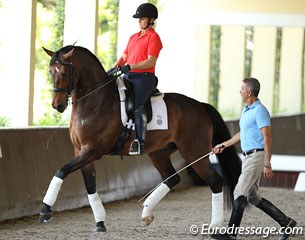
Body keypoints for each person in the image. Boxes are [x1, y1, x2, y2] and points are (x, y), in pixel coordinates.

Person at [211, 78, 297, 240]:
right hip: (248, 158)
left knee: (239, 192)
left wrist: (267, 163)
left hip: (256, 157)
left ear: (249, 92)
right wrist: (224, 144)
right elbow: (243, 133)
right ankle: (286, 222)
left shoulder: (260, 111)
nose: (240, 91)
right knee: (253, 197)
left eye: (242, 89)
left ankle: (231, 234)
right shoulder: (246, 111)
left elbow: (268, 137)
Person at [111, 3, 163, 155]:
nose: (139, 21)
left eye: (142, 18)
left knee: (136, 104)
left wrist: (129, 67)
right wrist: (114, 68)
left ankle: (140, 142)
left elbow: (150, 61)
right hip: (129, 75)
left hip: (144, 78)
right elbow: (124, 57)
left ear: (151, 19)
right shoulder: (133, 37)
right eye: (138, 18)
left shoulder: (154, 38)